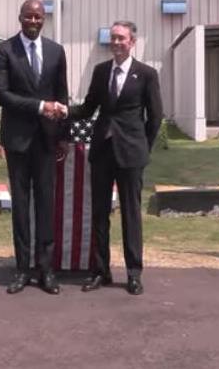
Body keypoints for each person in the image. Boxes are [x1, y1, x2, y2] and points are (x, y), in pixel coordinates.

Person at [56, 20, 162, 295]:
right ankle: (100, 271)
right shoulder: (101, 71)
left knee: (131, 215)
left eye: (121, 38)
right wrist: (63, 110)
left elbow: (155, 117)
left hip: (131, 154)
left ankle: (133, 273)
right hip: (102, 153)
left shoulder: (146, 74)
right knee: (99, 214)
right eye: (113, 38)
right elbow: (88, 108)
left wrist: (143, 147)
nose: (116, 42)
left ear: (132, 42)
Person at [0, 0, 69, 295]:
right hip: (18, 140)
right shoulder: (4, 51)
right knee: (21, 207)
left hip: (47, 140)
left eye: (38, 16)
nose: (34, 21)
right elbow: (0, 94)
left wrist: (63, 136)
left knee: (46, 205)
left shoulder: (56, 51)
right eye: (29, 16)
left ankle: (46, 270)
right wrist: (39, 106)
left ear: (44, 19)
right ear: (20, 18)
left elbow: (62, 95)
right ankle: (22, 269)